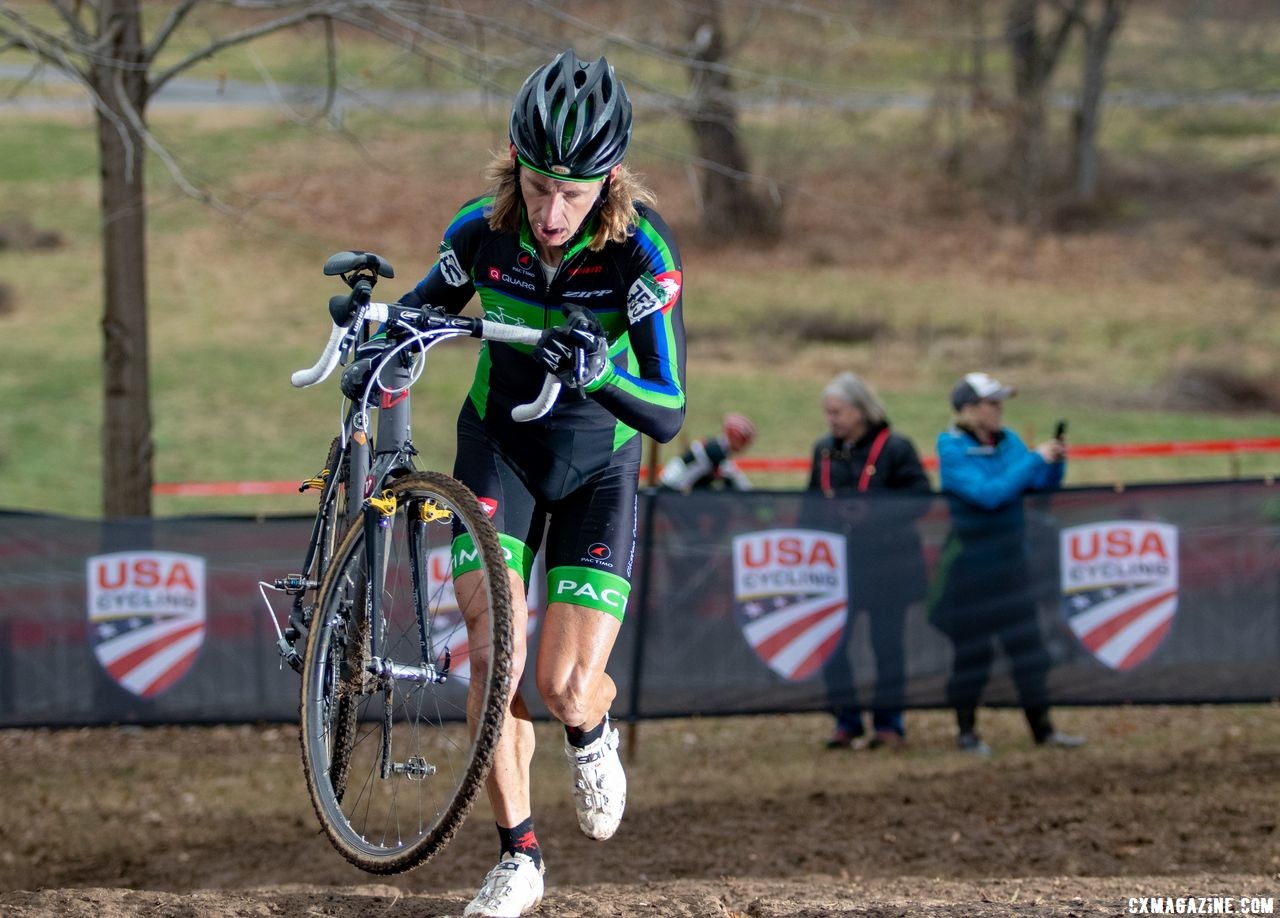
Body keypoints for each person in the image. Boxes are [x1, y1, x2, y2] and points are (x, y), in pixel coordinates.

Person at [394, 50, 686, 917]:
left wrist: (598, 371)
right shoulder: (481, 232)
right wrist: (372, 329)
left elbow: (668, 409)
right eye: (537, 186)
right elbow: (420, 313)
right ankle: (517, 856)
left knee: (559, 686)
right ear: (514, 165)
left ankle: (593, 726)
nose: (552, 212)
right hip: (499, 451)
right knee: (493, 652)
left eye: (575, 192)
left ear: (609, 181)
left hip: (601, 466)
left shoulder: (642, 253)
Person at [928, 372, 1083, 756]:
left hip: (1014, 567)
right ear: (968, 410)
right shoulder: (951, 448)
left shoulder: (1009, 441)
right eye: (991, 404)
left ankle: (1043, 730)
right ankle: (967, 732)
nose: (999, 411)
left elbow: (1038, 485)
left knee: (1030, 651)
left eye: (999, 404)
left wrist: (1053, 464)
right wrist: (1033, 461)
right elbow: (990, 494)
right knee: (972, 656)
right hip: (971, 572)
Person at [806, 372, 932, 750]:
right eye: (828, 413)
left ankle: (889, 724)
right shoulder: (824, 450)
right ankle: (846, 721)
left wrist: (874, 514)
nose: (832, 420)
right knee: (831, 646)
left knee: (886, 645)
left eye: (838, 412)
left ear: (861, 410)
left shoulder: (896, 448)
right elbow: (810, 504)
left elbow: (922, 498)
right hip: (836, 569)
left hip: (889, 566)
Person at [657, 412, 755, 492]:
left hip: (675, 483)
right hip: (672, 486)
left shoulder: (716, 446)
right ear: (735, 437)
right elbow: (734, 477)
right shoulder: (716, 451)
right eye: (743, 441)